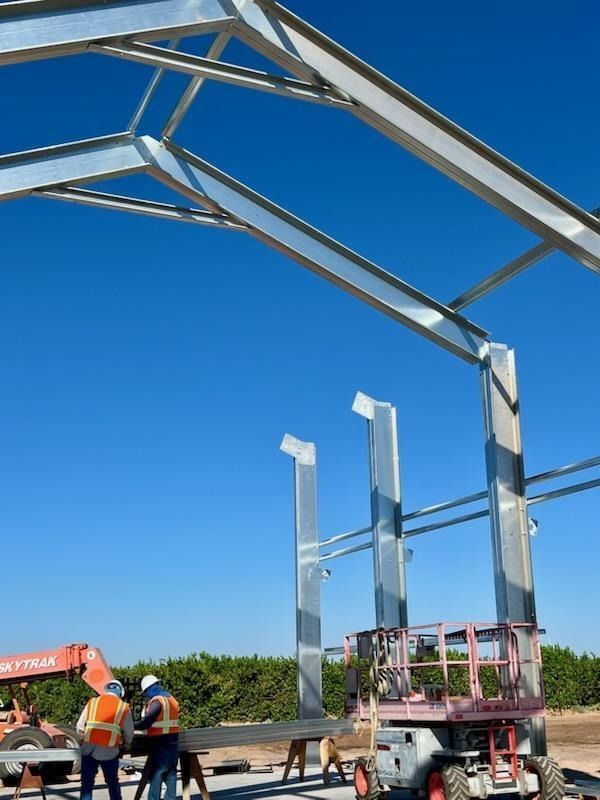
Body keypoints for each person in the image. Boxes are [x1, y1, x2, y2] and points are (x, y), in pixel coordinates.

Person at [77, 679, 134, 800]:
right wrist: (127, 743)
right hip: (109, 751)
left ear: (105, 690)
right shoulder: (123, 707)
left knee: (86, 784)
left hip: (88, 749)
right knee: (113, 783)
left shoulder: (92, 702)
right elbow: (129, 732)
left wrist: (84, 738)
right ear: (121, 693)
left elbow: (79, 727)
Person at [135, 675, 180, 800]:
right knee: (171, 774)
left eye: (145, 693)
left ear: (148, 689)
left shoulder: (157, 701)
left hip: (160, 742)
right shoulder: (171, 699)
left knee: (156, 774)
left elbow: (147, 722)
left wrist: (132, 726)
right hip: (173, 741)